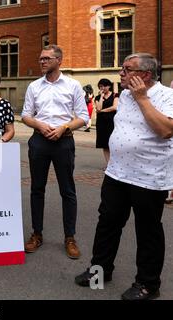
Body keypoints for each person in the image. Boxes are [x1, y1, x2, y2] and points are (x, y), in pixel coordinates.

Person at [75, 53, 173, 300]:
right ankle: (100, 271)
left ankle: (148, 285)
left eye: (127, 69)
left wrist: (142, 99)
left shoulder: (167, 96)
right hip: (117, 173)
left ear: (145, 75)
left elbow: (165, 131)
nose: (121, 73)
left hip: (148, 177)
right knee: (107, 224)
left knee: (148, 231)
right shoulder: (125, 95)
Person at [21, 44, 89, 259]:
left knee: (67, 190)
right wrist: (40, 126)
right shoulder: (34, 86)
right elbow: (26, 115)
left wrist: (64, 128)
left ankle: (70, 237)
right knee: (36, 189)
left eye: (46, 58)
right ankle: (37, 234)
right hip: (39, 141)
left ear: (59, 60)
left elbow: (83, 117)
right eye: (41, 58)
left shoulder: (73, 85)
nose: (42, 62)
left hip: (63, 141)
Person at [94, 78, 119, 166]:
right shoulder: (97, 97)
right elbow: (98, 108)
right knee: (105, 144)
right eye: (100, 86)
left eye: (104, 86)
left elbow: (115, 107)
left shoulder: (115, 95)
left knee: (113, 143)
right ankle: (109, 165)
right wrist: (101, 97)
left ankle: (115, 164)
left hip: (112, 122)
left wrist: (102, 111)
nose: (102, 88)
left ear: (109, 86)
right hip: (101, 123)